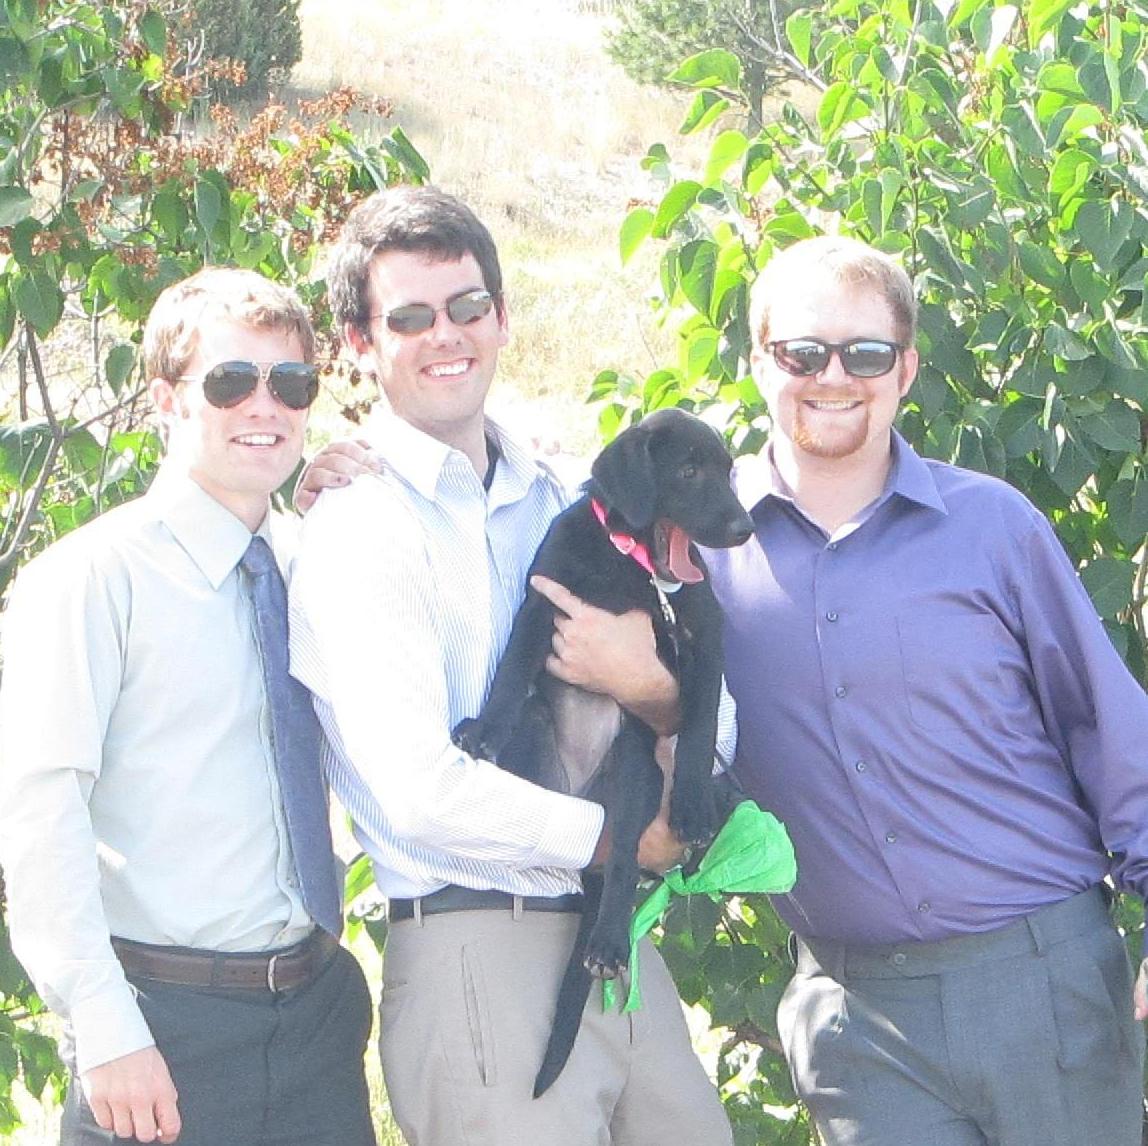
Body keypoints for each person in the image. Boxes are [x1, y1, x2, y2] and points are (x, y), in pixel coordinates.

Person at [287, 185, 733, 1146]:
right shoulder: (359, 526)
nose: (446, 334)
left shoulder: (574, 493)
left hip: (614, 936)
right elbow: (419, 793)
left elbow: (719, 718)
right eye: (409, 317)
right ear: (360, 342)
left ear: (501, 316)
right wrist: (623, 842)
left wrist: (651, 690)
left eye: (467, 305)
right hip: (477, 942)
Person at [700, 234, 1148, 1145]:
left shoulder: (994, 528)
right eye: (802, 352)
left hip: (1045, 988)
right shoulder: (694, 552)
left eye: (865, 353)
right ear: (759, 362)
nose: (834, 376)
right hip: (857, 1027)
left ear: (904, 369)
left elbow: (1108, 727)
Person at [0, 268, 376, 1146]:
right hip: (160, 1030)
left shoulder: (319, 560)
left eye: (291, 383)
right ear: (166, 399)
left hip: (317, 1018)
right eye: (231, 381)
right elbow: (38, 811)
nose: (266, 406)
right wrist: (104, 1026)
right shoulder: (92, 580)